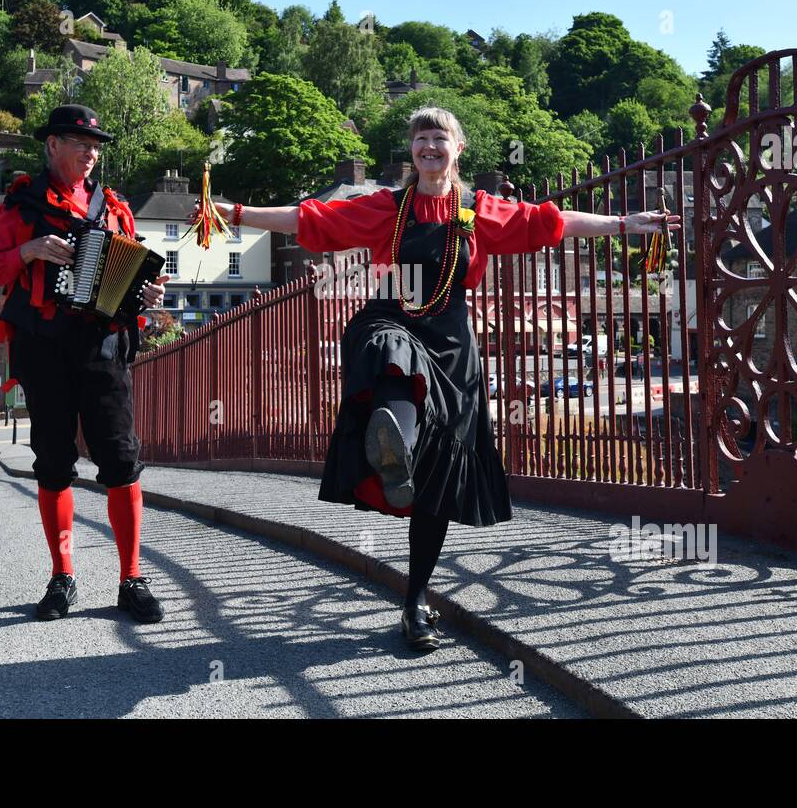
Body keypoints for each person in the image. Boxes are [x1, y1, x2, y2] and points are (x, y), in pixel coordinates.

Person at [196, 107, 679, 650]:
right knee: (392, 354)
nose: (429, 147)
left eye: (439, 138)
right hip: (394, 316)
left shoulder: (480, 211)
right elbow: (309, 221)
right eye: (421, 139)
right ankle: (394, 444)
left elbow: (550, 223)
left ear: (458, 148)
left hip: (451, 340)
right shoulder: (385, 208)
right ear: (412, 150)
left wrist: (624, 224)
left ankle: (413, 599)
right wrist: (233, 213)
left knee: (439, 481)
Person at [0, 104, 171, 624]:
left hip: (103, 345)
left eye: (96, 146)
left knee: (122, 461)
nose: (91, 153)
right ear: (52, 146)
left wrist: (147, 294)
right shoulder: (20, 206)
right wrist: (30, 250)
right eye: (80, 143)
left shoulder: (115, 208)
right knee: (54, 461)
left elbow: (130, 284)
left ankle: (132, 578)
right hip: (43, 346)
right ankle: (63, 576)